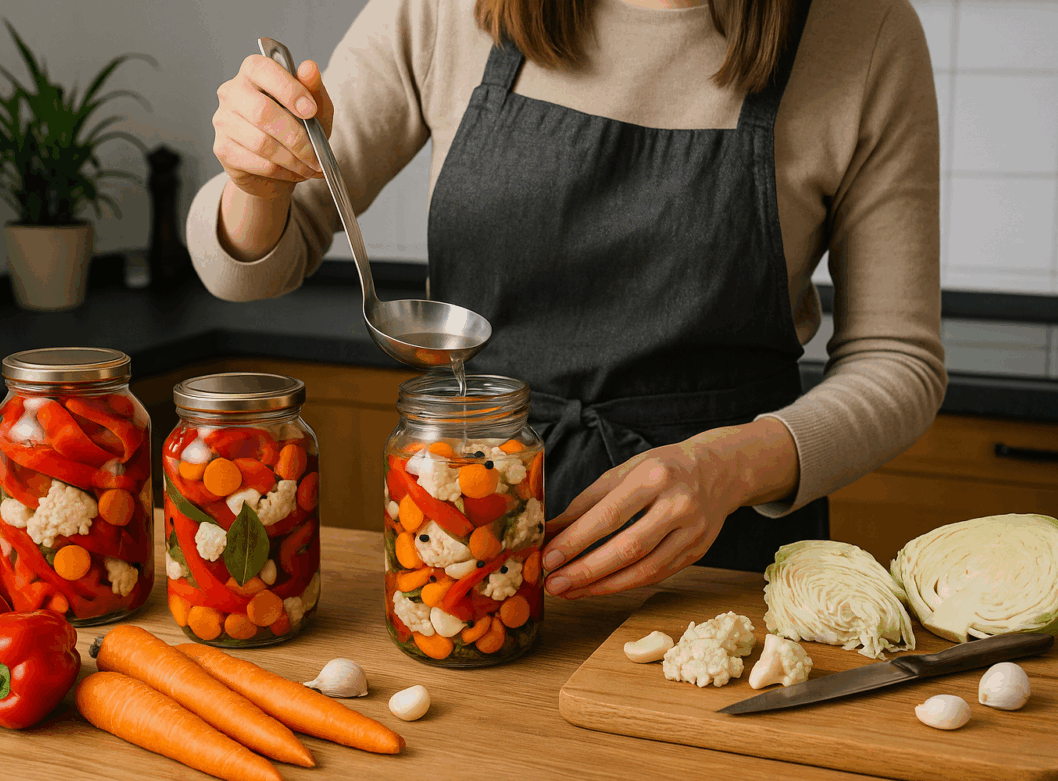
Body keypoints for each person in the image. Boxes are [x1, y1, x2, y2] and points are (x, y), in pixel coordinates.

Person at [186, 0, 946, 602]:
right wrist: (256, 183)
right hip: (460, 543)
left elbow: (899, 360)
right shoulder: (447, 9)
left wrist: (730, 468)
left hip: (727, 566)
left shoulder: (867, 31)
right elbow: (251, 268)